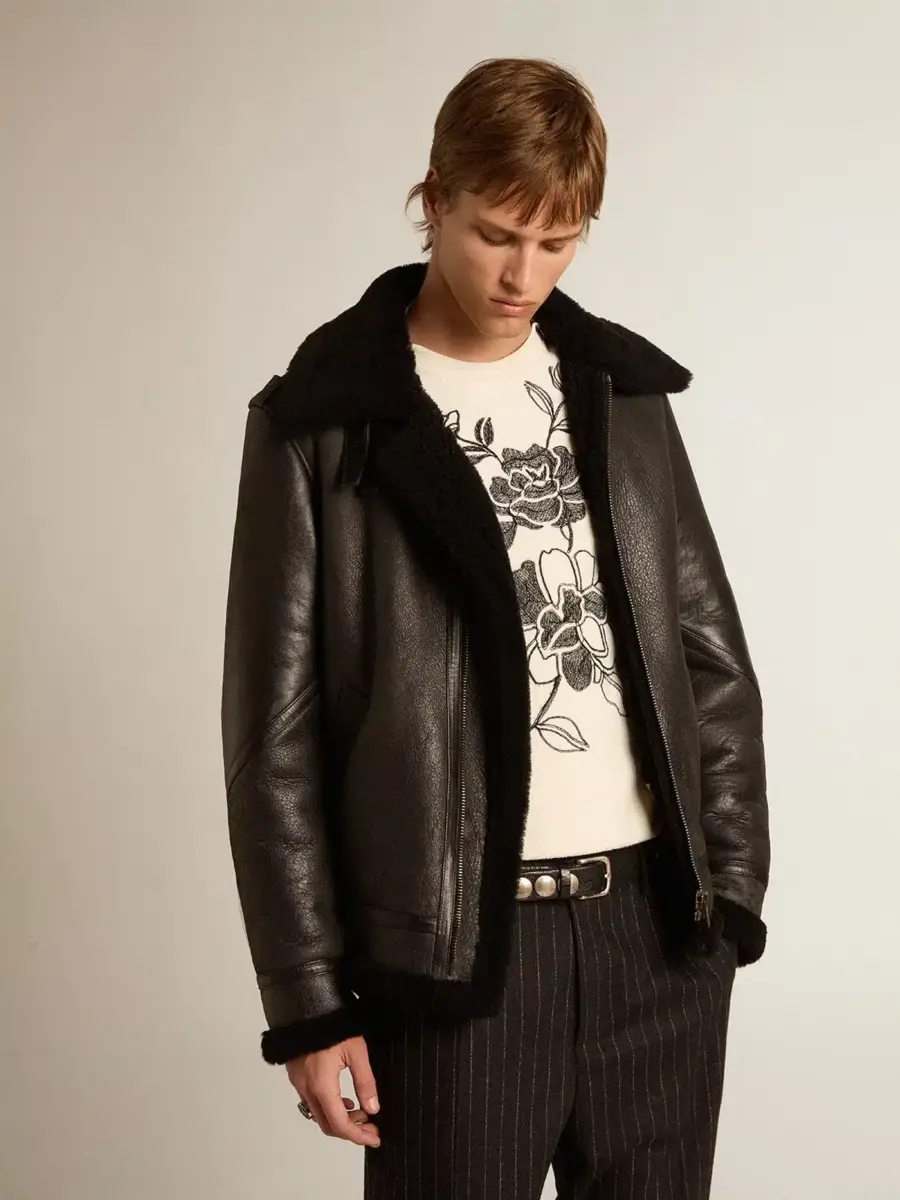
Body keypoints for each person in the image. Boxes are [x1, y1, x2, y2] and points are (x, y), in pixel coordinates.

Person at [220, 56, 770, 1200]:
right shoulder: (322, 425)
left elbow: (711, 660)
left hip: (656, 949)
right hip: (457, 964)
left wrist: (726, 901)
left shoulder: (620, 396)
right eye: (496, 235)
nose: (525, 274)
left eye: (559, 242)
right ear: (434, 199)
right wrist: (309, 1005)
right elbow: (275, 744)